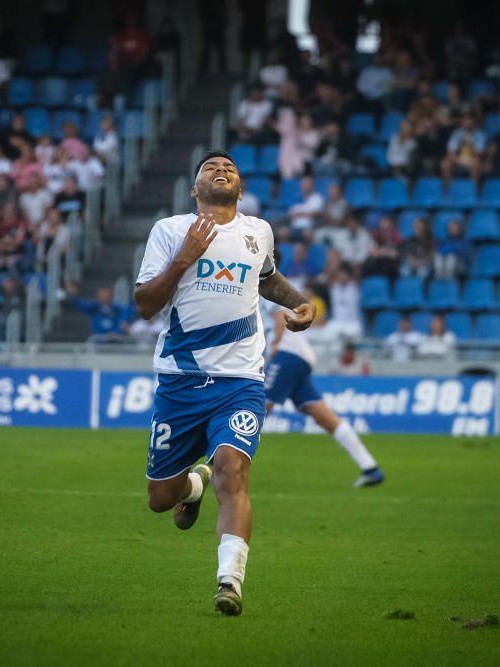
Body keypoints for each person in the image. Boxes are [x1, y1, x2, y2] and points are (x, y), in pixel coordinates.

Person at [133, 150, 314, 616]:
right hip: (180, 381)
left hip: (241, 379)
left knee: (233, 472)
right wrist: (182, 261)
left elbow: (268, 280)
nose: (221, 170)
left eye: (229, 168)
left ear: (239, 187)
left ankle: (229, 580)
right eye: (210, 168)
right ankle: (192, 486)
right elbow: (144, 304)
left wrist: (300, 303)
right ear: (195, 189)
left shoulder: (258, 232)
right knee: (160, 499)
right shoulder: (170, 231)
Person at [263, 297, 384, 488]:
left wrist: (276, 344)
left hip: (287, 353)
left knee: (259, 407)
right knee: (324, 417)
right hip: (300, 357)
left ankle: (218, 466)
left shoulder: (261, 285)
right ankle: (370, 467)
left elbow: (280, 315)